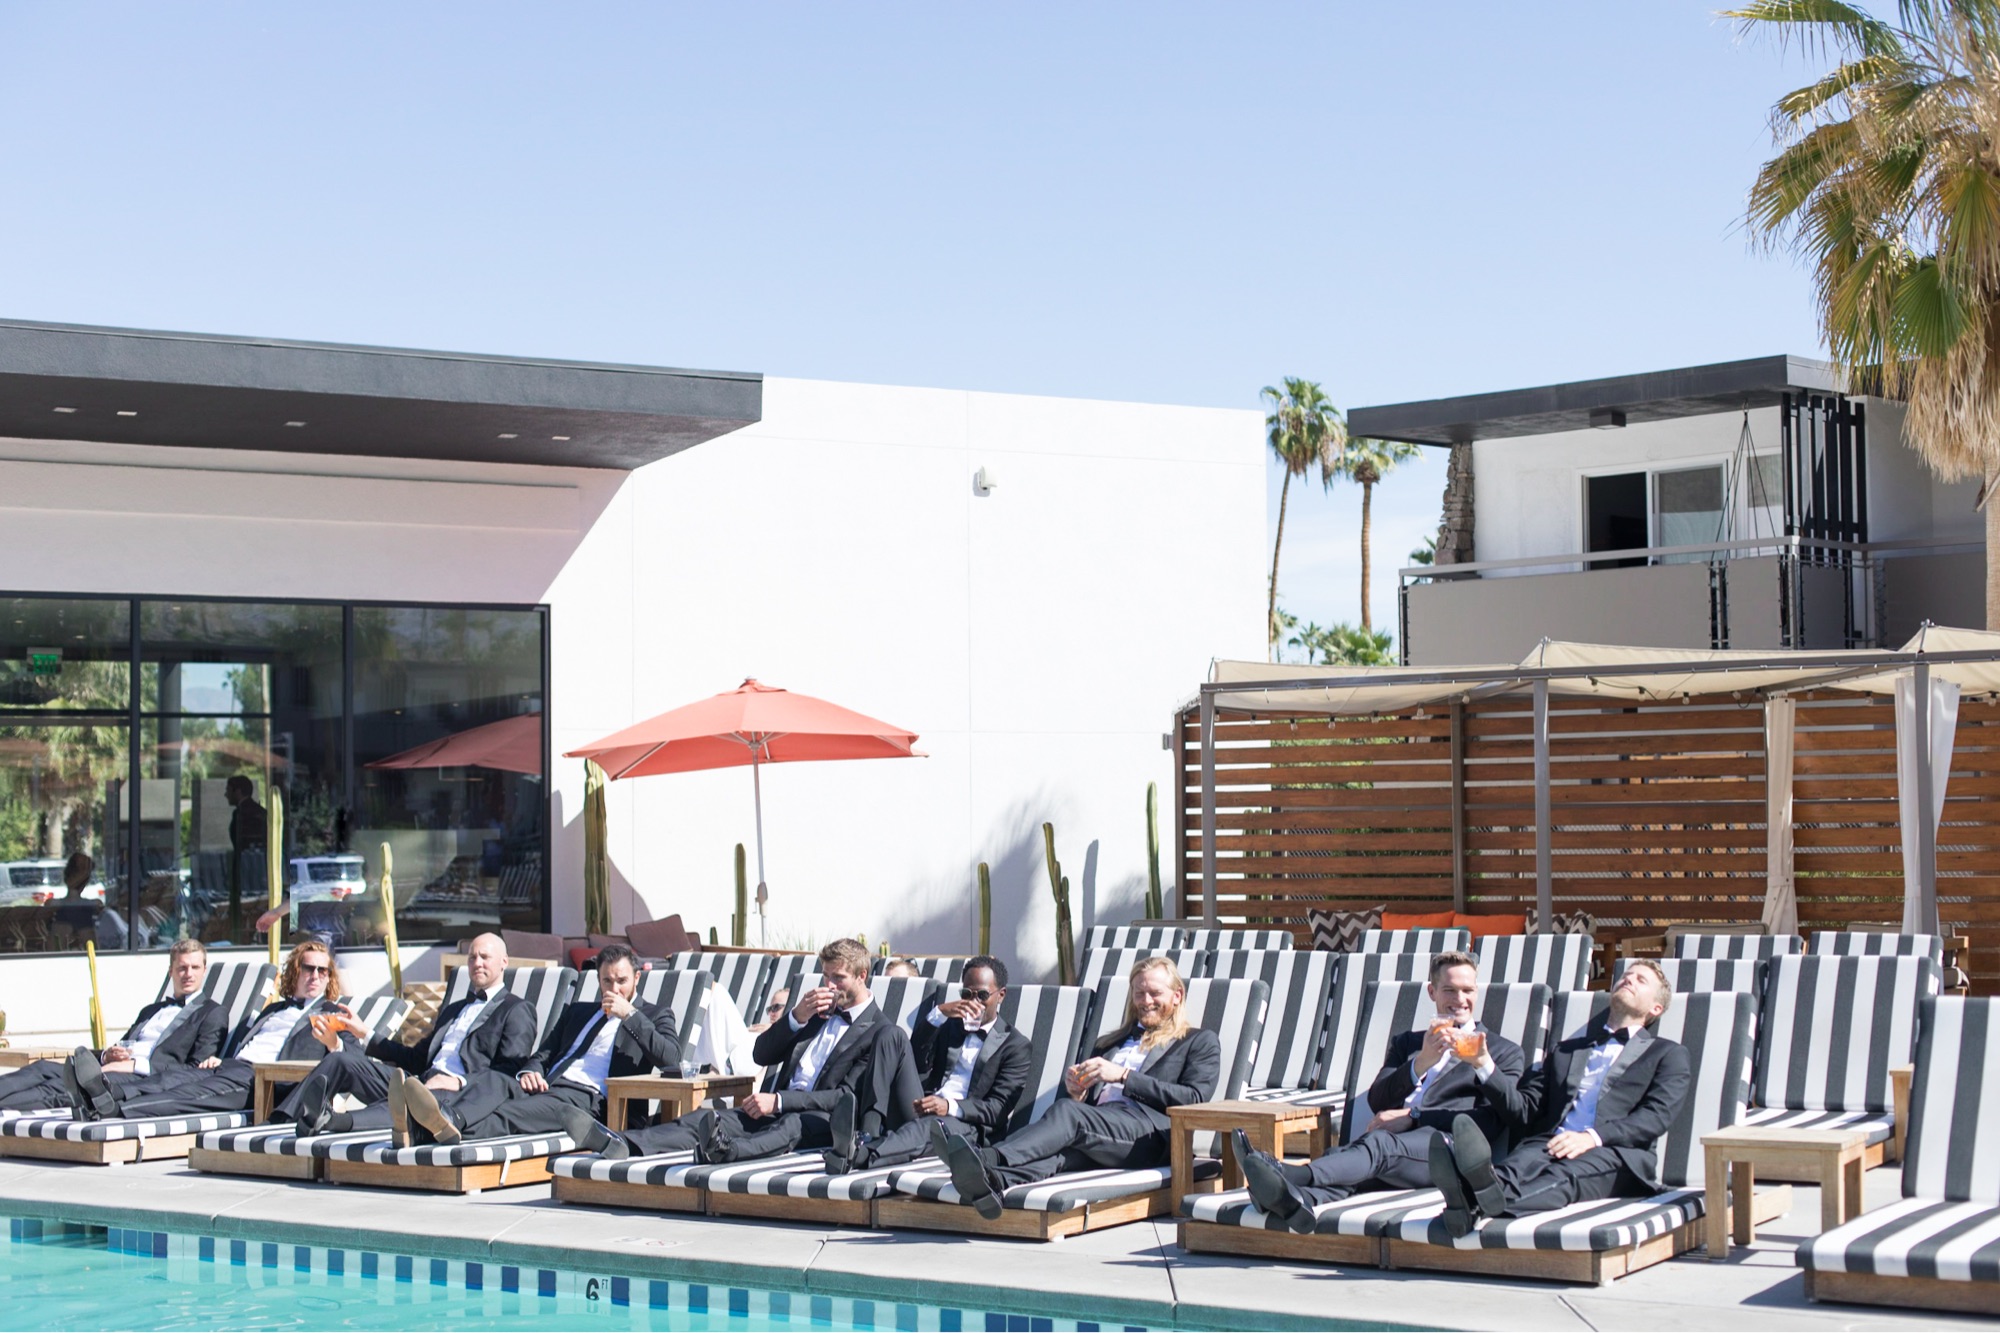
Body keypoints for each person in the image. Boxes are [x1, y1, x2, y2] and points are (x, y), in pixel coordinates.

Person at [1236, 950, 1527, 1231]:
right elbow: (1378, 1100)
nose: (1460, 999)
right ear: (1432, 992)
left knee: (1377, 1145)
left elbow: (1492, 1121)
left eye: (1468, 990)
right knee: (1349, 1159)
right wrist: (1421, 1062)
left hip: (1446, 1152)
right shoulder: (1409, 1044)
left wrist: (1415, 1117)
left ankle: (1290, 1172)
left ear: (1477, 992)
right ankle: (1295, 1201)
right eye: (1449, 990)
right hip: (1394, 1151)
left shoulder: (1501, 1053)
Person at [562, 937, 916, 1167]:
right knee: (704, 1120)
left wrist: (778, 1102)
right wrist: (796, 1017)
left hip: (820, 1120)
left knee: (789, 1125)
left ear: (862, 976)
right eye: (825, 976)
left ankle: (727, 1152)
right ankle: (621, 1143)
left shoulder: (879, 1033)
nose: (829, 985)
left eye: (838, 978)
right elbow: (761, 1054)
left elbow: (844, 1097)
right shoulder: (815, 1013)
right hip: (773, 1107)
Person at [937, 955, 1217, 1220]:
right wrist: (1077, 1091)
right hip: (1102, 1130)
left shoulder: (1198, 1041)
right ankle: (994, 1182)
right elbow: (1085, 1105)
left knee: (1069, 1113)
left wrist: (1124, 1076)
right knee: (1061, 1155)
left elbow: (1194, 1098)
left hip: (1151, 1137)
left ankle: (986, 1157)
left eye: (1155, 993)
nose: (1146, 1001)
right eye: (1139, 993)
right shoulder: (1109, 1043)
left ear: (1177, 995)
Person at [1427, 959, 1688, 1238]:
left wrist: (1591, 1137)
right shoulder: (1565, 1051)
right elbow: (1524, 1111)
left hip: (1615, 1154)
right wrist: (1482, 1064)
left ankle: (1468, 1201)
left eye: (1641, 980)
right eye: (1627, 975)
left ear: (1655, 1009)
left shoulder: (1668, 1054)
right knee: (1512, 1168)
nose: (1628, 980)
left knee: (1565, 1177)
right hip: (1551, 1142)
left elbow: (1656, 1117)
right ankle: (1473, 1197)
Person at [399, 945, 679, 1145]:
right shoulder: (579, 1011)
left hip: (587, 1100)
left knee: (507, 1113)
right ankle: (446, 1117)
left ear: (637, 978)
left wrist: (629, 1014)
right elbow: (544, 1053)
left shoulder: (654, 1015)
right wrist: (529, 1071)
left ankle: (433, 1128)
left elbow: (671, 1058)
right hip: (548, 1086)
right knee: (499, 1079)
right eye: (607, 981)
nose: (614, 989)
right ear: (598, 979)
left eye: (621, 981)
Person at [275, 932, 537, 1141]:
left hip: (458, 1096)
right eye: (471, 957)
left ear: (504, 962)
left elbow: (509, 1070)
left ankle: (333, 1121)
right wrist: (363, 1032)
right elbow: (415, 1057)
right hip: (420, 1080)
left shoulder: (516, 1009)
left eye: (485, 957)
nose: (477, 963)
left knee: (406, 1101)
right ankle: (282, 1122)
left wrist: (457, 1082)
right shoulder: (454, 1009)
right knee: (340, 1060)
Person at [65, 938, 358, 1120]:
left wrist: (333, 1043)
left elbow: (351, 1058)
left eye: (323, 970)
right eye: (309, 968)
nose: (316, 975)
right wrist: (221, 1060)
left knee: (191, 1096)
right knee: (175, 1079)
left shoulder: (333, 1014)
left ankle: (113, 1111)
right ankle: (103, 1094)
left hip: (267, 1081)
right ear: (296, 971)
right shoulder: (273, 1010)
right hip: (230, 1066)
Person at [837, 954, 1029, 1172]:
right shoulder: (950, 1026)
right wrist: (938, 1014)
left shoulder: (1016, 1045)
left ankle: (860, 1155)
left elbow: (997, 1109)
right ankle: (867, 1134)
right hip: (923, 1106)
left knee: (930, 1127)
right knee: (890, 1034)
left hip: (966, 1125)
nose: (974, 1002)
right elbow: (917, 1062)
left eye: (983, 995)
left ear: (1000, 995)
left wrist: (949, 1106)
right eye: (967, 994)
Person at [0, 938, 225, 1111]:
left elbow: (196, 1069)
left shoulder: (212, 1013)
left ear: (204, 970)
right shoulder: (151, 1010)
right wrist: (109, 1055)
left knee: (58, 1087)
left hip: (143, 1077)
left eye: (195, 968)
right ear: (171, 972)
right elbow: (123, 1043)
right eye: (182, 968)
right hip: (111, 1067)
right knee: (41, 1068)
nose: (189, 974)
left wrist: (135, 1066)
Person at [224, 776, 267, 941]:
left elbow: (240, 844)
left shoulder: (242, 814)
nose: (226, 795)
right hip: (259, 874)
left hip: (246, 873)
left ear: (238, 791)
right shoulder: (261, 812)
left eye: (228, 790)